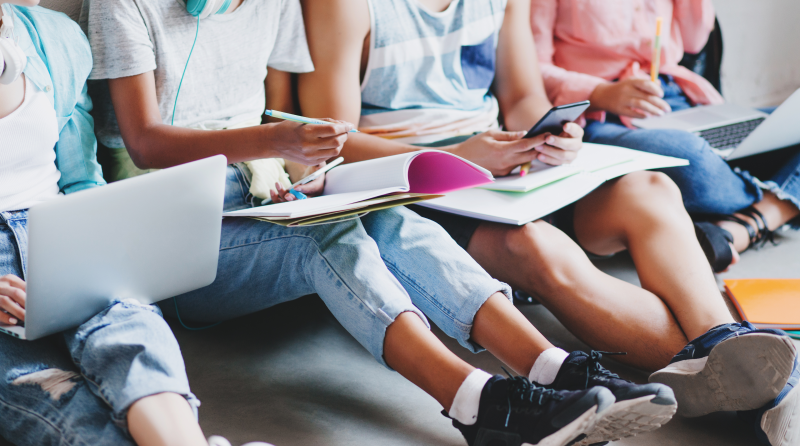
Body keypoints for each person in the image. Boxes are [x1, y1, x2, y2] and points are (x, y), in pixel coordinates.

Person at [82, 0, 686, 445]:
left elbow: (275, 106)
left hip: (262, 197)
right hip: (178, 234)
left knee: (385, 211)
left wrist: (308, 153)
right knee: (328, 239)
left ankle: (550, 367)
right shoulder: (123, 5)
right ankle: (476, 403)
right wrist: (278, 141)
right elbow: (146, 142)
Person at [297, 0, 798, 438]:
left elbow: (522, 101)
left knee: (649, 187)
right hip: (420, 185)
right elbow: (330, 145)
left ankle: (721, 341)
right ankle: (771, 395)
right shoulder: (346, 4)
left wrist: (553, 137)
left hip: (501, 166)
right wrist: (457, 155)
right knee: (537, 246)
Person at [0, 2, 266, 446]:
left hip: (61, 233)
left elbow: (81, 178)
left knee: (129, 331)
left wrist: (114, 247)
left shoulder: (52, 37)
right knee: (53, 390)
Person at [529, 0, 800, 274]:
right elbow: (529, 71)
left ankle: (744, 226)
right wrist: (599, 92)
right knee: (691, 160)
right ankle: (777, 198)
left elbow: (694, 41)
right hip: (602, 114)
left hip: (678, 99)